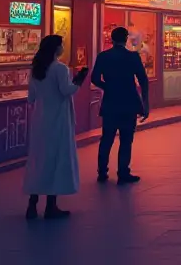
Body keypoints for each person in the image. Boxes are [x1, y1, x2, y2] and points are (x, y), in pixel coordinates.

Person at [23, 35, 87, 219]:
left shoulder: (36, 69)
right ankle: (51, 205)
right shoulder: (60, 68)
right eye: (62, 45)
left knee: (38, 159)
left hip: (40, 119)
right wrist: (79, 80)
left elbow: (31, 97)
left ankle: (32, 204)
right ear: (56, 48)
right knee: (56, 158)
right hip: (58, 119)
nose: (63, 47)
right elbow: (66, 90)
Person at [91, 26, 150, 185]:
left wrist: (107, 86)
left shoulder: (103, 56)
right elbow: (143, 80)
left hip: (110, 102)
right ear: (126, 40)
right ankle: (123, 172)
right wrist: (145, 102)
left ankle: (102, 172)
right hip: (129, 102)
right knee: (126, 139)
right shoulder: (133, 57)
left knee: (107, 138)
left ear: (112, 39)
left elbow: (95, 78)